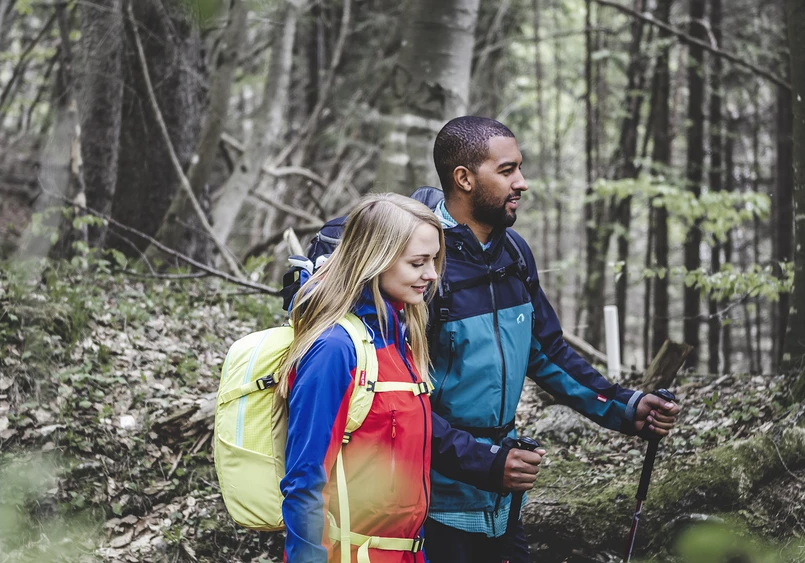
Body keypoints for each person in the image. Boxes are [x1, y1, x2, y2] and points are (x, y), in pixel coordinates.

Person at [420, 116, 682, 563]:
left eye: (519, 168)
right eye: (506, 171)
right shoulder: (421, 264)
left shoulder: (514, 253)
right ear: (463, 178)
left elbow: (548, 354)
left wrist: (625, 406)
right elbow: (402, 403)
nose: (522, 183)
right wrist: (484, 463)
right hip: (434, 503)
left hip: (504, 495)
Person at [277, 192, 548, 563]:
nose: (433, 275)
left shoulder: (401, 338)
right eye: (418, 262)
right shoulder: (334, 350)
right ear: (375, 262)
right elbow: (305, 484)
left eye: (435, 260)